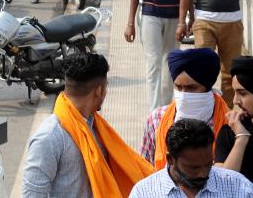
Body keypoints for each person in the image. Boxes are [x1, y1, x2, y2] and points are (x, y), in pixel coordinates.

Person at [22, 53, 153, 197]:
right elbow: (32, 194)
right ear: (99, 91)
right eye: (106, 87)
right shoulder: (49, 137)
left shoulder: (95, 126)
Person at [139, 48, 230, 167]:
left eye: (191, 88)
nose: (183, 94)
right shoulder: (157, 119)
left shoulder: (229, 124)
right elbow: (145, 168)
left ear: (207, 88)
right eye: (178, 87)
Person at [130, 118, 253, 197]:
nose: (203, 174)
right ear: (170, 159)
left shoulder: (241, 188)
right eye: (193, 168)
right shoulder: (144, 193)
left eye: (208, 164)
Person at [215, 56, 253, 180]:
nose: (235, 101)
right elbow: (223, 185)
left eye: (242, 93)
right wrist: (241, 139)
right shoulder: (230, 133)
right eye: (234, 92)